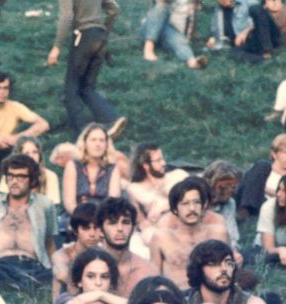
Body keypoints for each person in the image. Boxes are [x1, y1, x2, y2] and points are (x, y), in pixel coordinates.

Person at [0, 154, 56, 288]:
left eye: (21, 176)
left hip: (33, 266)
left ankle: (19, 283)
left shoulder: (45, 205)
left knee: (57, 272)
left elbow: (49, 242)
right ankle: (17, 284)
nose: (14, 181)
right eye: (10, 176)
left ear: (32, 180)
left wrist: (55, 268)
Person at [46, 0, 126, 138]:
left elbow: (67, 16)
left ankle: (82, 134)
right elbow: (114, 8)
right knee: (87, 87)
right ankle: (111, 120)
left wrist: (57, 46)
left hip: (83, 35)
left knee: (71, 89)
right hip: (100, 35)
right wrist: (105, 31)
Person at [150, 178, 230, 290]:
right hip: (177, 297)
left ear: (204, 206)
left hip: (213, 296)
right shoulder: (162, 237)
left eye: (196, 202)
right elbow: (153, 278)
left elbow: (231, 273)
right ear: (175, 209)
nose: (192, 208)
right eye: (185, 203)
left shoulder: (218, 233)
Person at [97, 197, 159, 298]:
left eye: (125, 222)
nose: (120, 229)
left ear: (134, 228)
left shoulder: (148, 271)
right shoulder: (86, 268)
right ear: (100, 230)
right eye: (112, 223)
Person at [125, 143, 190, 236]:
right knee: (147, 234)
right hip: (160, 230)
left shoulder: (179, 175)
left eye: (162, 158)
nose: (163, 163)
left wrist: (164, 208)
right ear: (145, 165)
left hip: (185, 221)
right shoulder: (135, 189)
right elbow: (141, 222)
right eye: (158, 160)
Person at [63, 123, 121, 220]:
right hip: (77, 217)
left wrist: (99, 220)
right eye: (93, 140)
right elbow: (69, 204)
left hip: (104, 218)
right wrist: (85, 219)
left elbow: (113, 202)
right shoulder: (73, 166)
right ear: (85, 143)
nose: (97, 144)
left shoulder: (113, 169)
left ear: (106, 144)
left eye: (101, 140)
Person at [52, 202, 100, 299]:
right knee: (59, 273)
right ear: (75, 231)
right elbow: (63, 276)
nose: (92, 234)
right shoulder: (63, 255)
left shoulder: (104, 253)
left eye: (96, 228)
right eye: (86, 228)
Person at [141, 0, 209, 68]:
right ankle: (148, 49)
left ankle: (191, 61)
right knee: (161, 7)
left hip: (172, 33)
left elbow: (194, 18)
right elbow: (157, 9)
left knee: (177, 40)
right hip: (151, 28)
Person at [207, 0, 281, 60]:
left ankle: (266, 51)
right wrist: (212, 40)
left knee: (256, 9)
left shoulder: (246, 2)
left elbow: (262, 16)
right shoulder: (218, 13)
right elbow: (215, 33)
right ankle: (263, 59)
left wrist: (245, 32)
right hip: (251, 41)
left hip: (267, 35)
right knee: (233, 53)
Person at [0, 136, 61, 204]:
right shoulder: (10, 173)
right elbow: (5, 202)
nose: (31, 156)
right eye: (27, 153)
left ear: (40, 155)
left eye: (35, 152)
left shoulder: (50, 176)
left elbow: (51, 206)